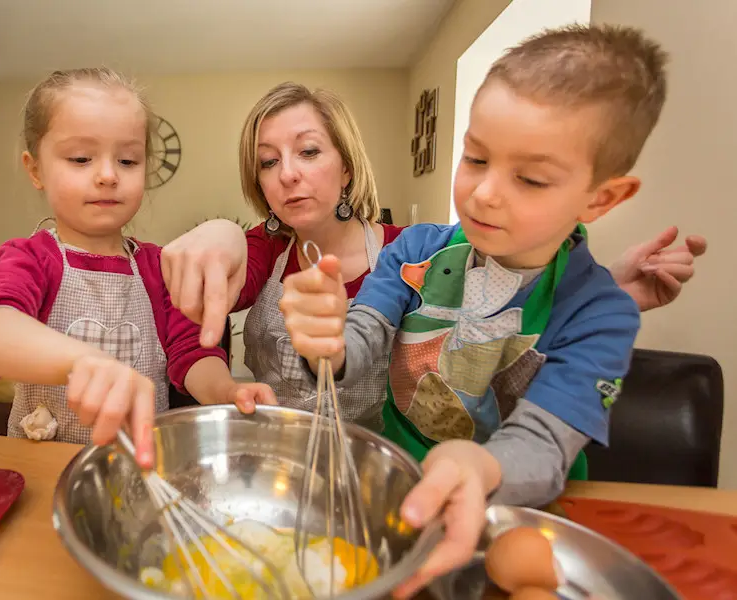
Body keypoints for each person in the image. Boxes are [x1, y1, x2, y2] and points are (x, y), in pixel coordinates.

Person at [280, 24, 685, 597]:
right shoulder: (416, 251)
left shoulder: (602, 314)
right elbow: (363, 334)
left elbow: (544, 446)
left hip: (523, 513)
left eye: (530, 178)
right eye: (475, 158)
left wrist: (479, 466)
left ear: (601, 197)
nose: (484, 193)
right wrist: (327, 337)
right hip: (405, 496)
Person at [161, 82, 706, 427]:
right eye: (267, 162)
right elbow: (188, 330)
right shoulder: (262, 251)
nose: (289, 174)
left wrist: (604, 284)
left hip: (386, 465)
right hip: (274, 457)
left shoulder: (413, 251)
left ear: (346, 165)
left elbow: (500, 304)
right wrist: (219, 231)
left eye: (308, 151)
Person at [0, 67, 273, 468]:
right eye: (81, 158)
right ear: (35, 169)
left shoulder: (157, 266)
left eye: (127, 160)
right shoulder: (32, 258)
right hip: (42, 472)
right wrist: (80, 361)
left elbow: (190, 354)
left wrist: (225, 391)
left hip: (137, 469)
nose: (107, 175)